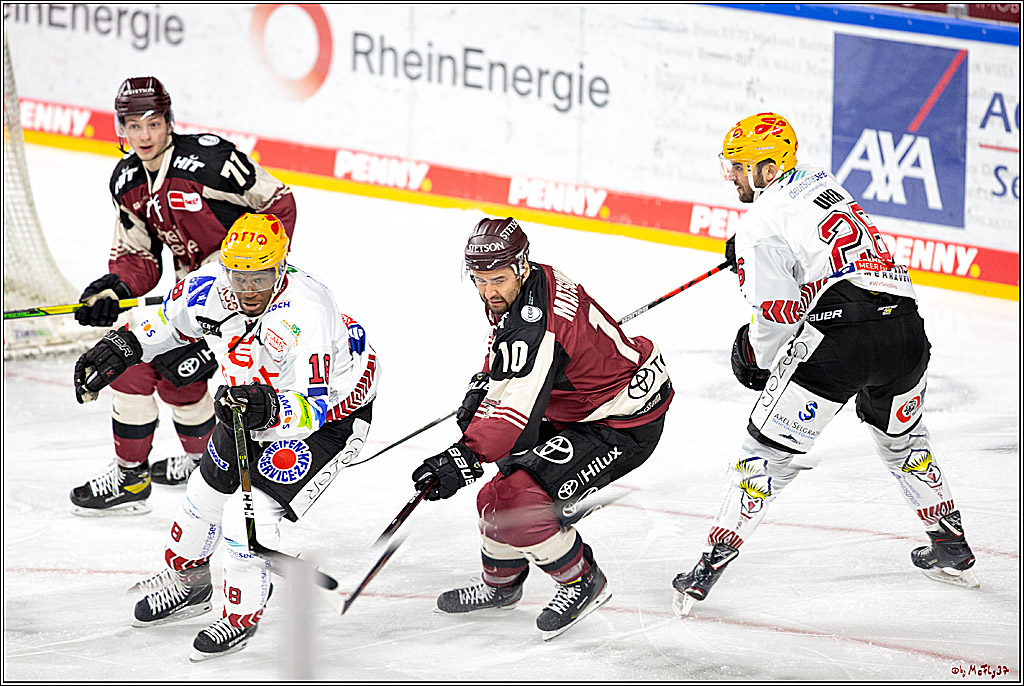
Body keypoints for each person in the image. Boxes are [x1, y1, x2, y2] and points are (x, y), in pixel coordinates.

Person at [671, 112, 979, 618]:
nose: (729, 175)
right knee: (904, 442)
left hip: (841, 340)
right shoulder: (818, 179)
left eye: (738, 165)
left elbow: (775, 311)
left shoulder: (758, 222)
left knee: (764, 455)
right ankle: (949, 542)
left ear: (768, 168)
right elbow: (818, 245)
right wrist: (757, 252)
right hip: (905, 329)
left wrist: (760, 357)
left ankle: (706, 569)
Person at [73, 213, 379, 660]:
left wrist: (269, 407)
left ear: (282, 268)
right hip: (247, 403)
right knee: (203, 498)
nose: (248, 288)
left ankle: (240, 614)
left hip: (328, 418)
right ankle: (189, 585)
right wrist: (120, 345)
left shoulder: (306, 313)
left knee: (247, 515)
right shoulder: (211, 286)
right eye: (240, 276)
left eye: (261, 277)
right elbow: (165, 324)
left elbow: (312, 406)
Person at [410, 217, 674, 639]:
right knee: (493, 498)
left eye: (497, 279)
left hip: (620, 421)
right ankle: (501, 587)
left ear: (519, 265)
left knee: (517, 501)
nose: (489, 291)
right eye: (479, 280)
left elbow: (514, 413)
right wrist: (486, 381)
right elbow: (511, 351)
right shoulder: (534, 280)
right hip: (587, 404)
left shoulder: (534, 326)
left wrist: (462, 457)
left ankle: (583, 581)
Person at [70, 76, 297, 516]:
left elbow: (280, 204)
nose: (144, 136)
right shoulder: (128, 180)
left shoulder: (211, 161)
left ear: (169, 122)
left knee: (181, 377)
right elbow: (139, 257)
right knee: (132, 370)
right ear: (121, 129)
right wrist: (114, 288)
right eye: (133, 126)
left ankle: (203, 466)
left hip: (246, 298)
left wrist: (244, 275)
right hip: (191, 298)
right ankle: (131, 479)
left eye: (152, 123)